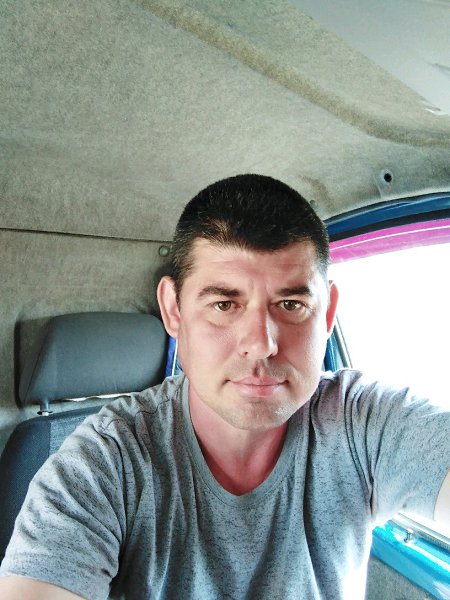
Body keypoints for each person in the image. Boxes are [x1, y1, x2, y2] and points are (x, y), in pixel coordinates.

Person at [0, 174, 449, 599]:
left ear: (327, 314)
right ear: (174, 311)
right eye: (223, 304)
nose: (261, 344)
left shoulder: (363, 423)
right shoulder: (106, 460)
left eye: (290, 304)